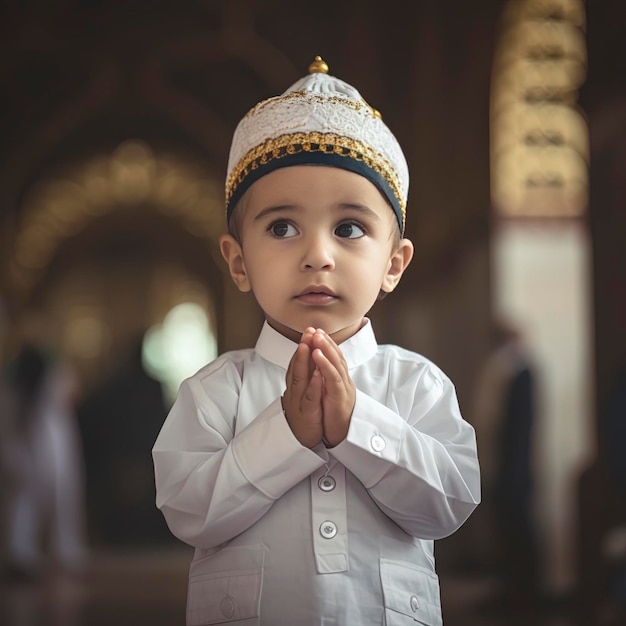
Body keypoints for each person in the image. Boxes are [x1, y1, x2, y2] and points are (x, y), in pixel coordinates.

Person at [152, 56, 481, 626]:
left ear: (393, 264)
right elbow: (188, 513)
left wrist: (362, 426)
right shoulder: (213, 393)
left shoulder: (415, 384)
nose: (317, 254)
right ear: (238, 261)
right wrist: (285, 434)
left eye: (350, 228)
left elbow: (449, 504)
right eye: (282, 227)